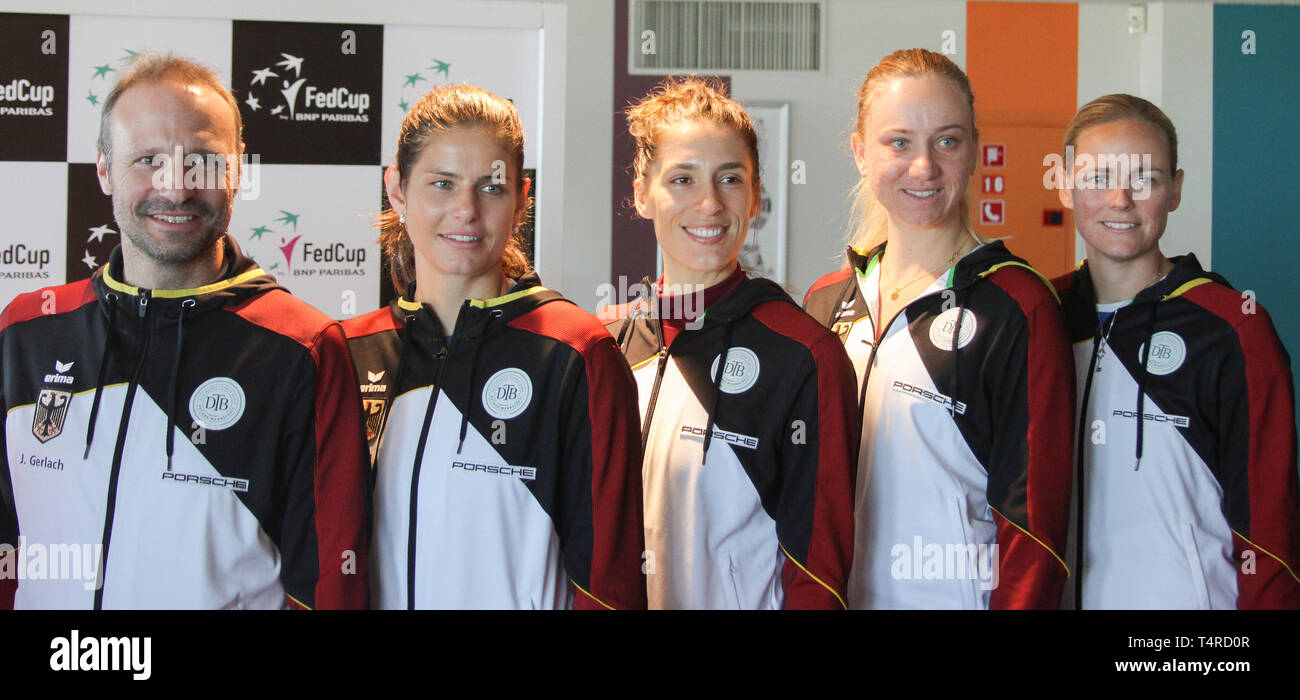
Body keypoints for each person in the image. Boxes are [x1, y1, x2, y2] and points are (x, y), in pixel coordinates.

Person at [0, 53, 369, 609]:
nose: (175, 189)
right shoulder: (26, 332)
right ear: (103, 169)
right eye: (148, 159)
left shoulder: (302, 348)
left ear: (239, 169)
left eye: (202, 161)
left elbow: (329, 586)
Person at [343, 84, 646, 610]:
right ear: (396, 189)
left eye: (491, 188)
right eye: (442, 184)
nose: (465, 211)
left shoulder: (577, 352)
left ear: (521, 198)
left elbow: (611, 580)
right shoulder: (348, 351)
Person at [803, 49, 1073, 609]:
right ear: (860, 152)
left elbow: (1035, 528)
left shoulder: (1017, 305)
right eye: (898, 142)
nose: (923, 167)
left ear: (973, 150)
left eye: (946, 141)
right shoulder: (827, 301)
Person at [599, 77, 858, 609]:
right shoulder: (602, 344)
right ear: (642, 192)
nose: (710, 203)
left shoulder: (804, 356)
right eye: (683, 179)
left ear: (756, 193)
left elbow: (820, 574)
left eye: (730, 178)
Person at [1053, 94, 1300, 609]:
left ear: (1176, 190)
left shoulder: (1232, 326)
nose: (1120, 199)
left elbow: (1271, 527)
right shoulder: (1038, 315)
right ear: (1067, 185)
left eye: (1145, 178)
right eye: (1098, 177)